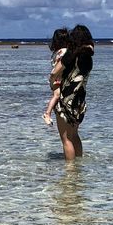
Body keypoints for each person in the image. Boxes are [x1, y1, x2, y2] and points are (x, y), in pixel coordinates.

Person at [42, 23, 94, 160]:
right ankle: (78, 164)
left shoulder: (70, 56)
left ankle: (70, 171)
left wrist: (52, 81)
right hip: (80, 102)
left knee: (66, 139)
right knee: (74, 135)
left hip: (66, 100)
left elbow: (54, 73)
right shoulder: (88, 59)